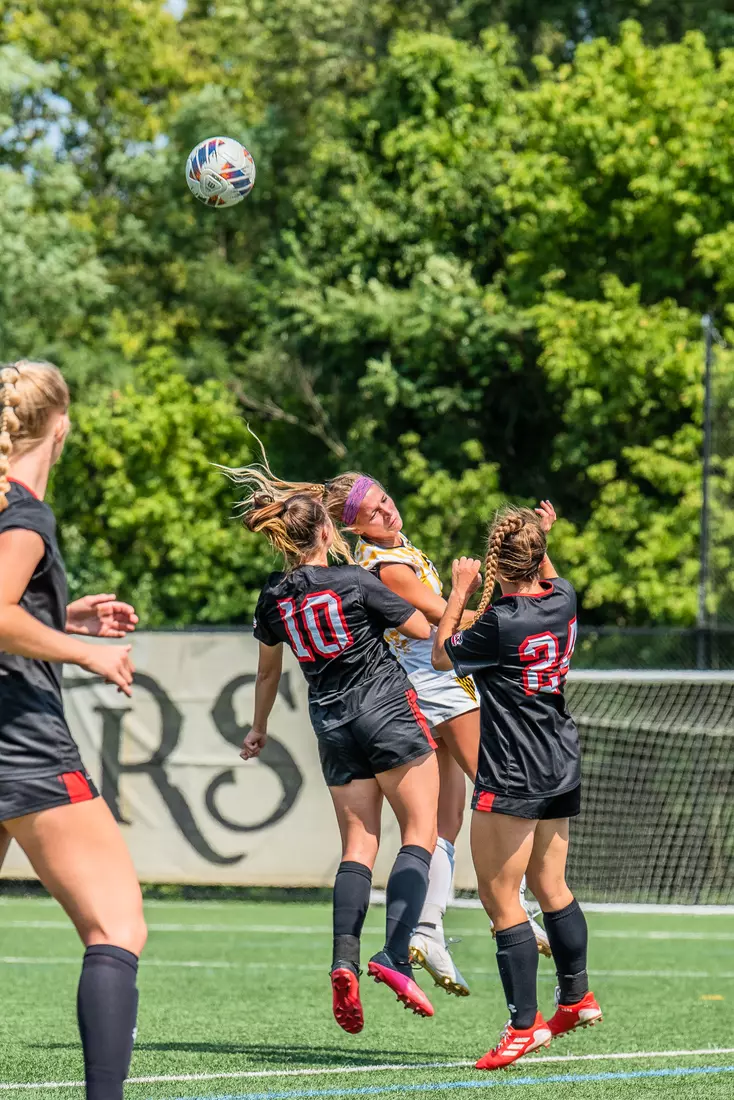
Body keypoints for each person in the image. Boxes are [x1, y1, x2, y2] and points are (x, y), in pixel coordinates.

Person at [221, 459, 440, 1033]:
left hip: (331, 724)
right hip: (387, 710)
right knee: (420, 830)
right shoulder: (355, 580)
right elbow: (425, 631)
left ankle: (343, 958)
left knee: (358, 846)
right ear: (325, 532)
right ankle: (393, 953)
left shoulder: (274, 597)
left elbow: (267, 674)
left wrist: (258, 727)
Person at [321, 473, 553, 996]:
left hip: (428, 688)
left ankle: (426, 930)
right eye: (373, 512)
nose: (386, 511)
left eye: (384, 500)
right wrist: (516, 606)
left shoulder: (394, 550)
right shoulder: (388, 566)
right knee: (507, 791)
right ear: (351, 525)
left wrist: (530, 554)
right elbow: (440, 623)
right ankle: (514, 909)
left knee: (447, 818)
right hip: (438, 686)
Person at [0, 361, 145, 1100]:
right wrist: (87, 647)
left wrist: (61, 620)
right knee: (117, 925)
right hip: (19, 742)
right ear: (59, 427)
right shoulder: (22, 512)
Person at [432, 506, 602, 1071]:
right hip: (558, 758)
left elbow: (439, 655)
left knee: (500, 898)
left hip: (512, 769)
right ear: (537, 557)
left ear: (495, 563)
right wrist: (538, 539)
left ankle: (523, 1026)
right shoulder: (564, 597)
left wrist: (459, 589)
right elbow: (545, 575)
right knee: (551, 884)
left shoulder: (499, 622)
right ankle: (576, 998)